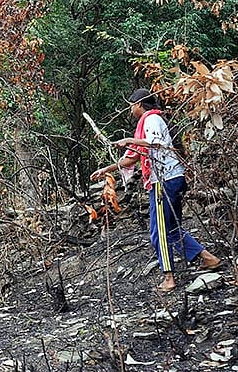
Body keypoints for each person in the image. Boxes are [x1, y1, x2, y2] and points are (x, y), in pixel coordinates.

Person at [90, 88, 221, 292]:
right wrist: (107, 169)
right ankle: (208, 258)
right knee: (172, 228)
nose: (131, 109)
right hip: (171, 178)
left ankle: (169, 278)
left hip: (164, 180)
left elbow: (157, 144)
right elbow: (132, 158)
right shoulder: (149, 123)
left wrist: (130, 140)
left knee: (158, 232)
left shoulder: (151, 120)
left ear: (140, 104)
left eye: (131, 105)